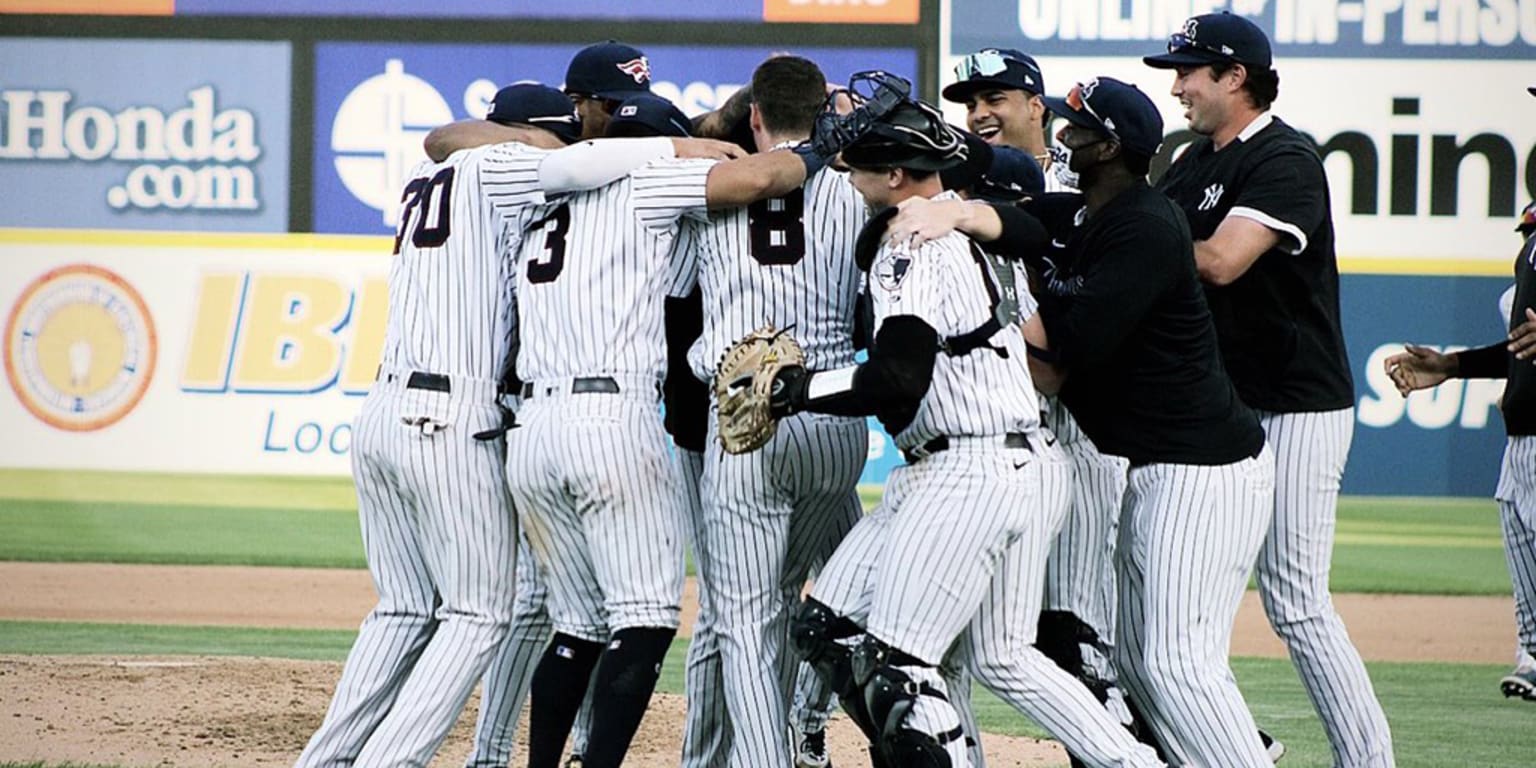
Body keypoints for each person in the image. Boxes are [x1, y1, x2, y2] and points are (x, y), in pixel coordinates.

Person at [295, 83, 691, 768]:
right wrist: (673, 147)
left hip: (386, 410)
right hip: (446, 415)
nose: (564, 146)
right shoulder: (495, 164)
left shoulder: (431, 176)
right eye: (556, 133)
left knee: (405, 608)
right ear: (524, 132)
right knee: (477, 614)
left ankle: (325, 761)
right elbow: (564, 166)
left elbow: (450, 142)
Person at [888, 75, 1277, 765]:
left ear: (1109, 146)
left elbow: (1064, 356)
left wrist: (986, 333)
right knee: (1140, 661)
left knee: (1177, 663)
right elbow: (1026, 221)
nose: (1064, 134)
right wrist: (957, 215)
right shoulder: (1092, 212)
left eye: (1077, 127)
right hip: (1160, 464)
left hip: (1204, 468)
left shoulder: (1146, 230)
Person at [779, 94, 1162, 768]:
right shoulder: (960, 227)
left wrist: (797, 389)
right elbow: (1030, 231)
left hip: (971, 470)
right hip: (1003, 462)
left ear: (897, 175)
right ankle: (1137, 764)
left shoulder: (913, 245)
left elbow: (899, 377)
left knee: (899, 666)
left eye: (860, 158)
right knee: (855, 632)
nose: (846, 168)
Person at [1143, 12, 1393, 765]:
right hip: (1225, 408)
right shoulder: (1191, 163)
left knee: (1294, 599)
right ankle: (1236, 741)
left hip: (1297, 405)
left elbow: (1220, 261)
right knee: (1186, 610)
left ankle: (1368, 759)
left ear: (1236, 78)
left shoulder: (1284, 159)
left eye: (1190, 70)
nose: (1179, 85)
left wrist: (1132, 253)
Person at [462, 93, 693, 768]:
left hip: (534, 429)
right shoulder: (648, 186)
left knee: (577, 625)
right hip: (608, 419)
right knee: (646, 618)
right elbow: (757, 181)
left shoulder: (535, 208)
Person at [666, 55, 869, 768]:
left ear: (753, 116)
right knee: (800, 598)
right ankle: (806, 724)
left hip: (747, 420)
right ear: (825, 113)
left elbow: (673, 298)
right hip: (837, 413)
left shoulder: (709, 192)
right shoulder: (858, 190)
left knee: (746, 620)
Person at [944, 49, 1134, 755]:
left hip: (1082, 434)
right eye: (970, 101)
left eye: (995, 95)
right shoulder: (962, 186)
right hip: (993, 437)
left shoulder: (1093, 182)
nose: (980, 111)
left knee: (1080, 632)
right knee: (961, 629)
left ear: (1037, 105)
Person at [1386, 159, 1536, 703]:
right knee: (1531, 615)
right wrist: (1451, 367)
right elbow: (1521, 347)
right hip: (1521, 436)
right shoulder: (1533, 242)